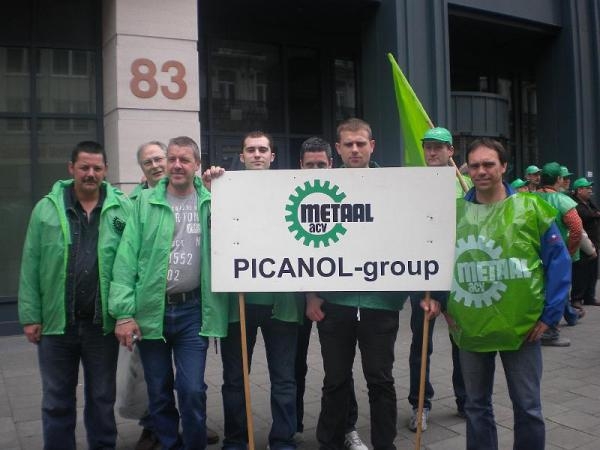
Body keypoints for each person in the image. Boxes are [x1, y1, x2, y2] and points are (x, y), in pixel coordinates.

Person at [308, 118, 440, 450]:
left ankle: (385, 445)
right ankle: (329, 443)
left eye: (360, 143)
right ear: (338, 149)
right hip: (334, 304)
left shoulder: (396, 187)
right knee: (335, 381)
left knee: (380, 380)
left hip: (381, 303)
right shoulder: (320, 188)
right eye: (348, 144)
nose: (355, 150)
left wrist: (427, 290)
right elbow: (305, 247)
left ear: (372, 146)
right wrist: (311, 295)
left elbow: (417, 237)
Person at [447, 138, 571, 450]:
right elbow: (436, 264)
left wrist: (550, 315)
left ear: (503, 166)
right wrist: (439, 303)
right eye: (475, 165)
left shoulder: (531, 209)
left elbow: (558, 262)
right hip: (471, 326)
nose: (481, 171)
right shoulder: (453, 214)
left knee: (528, 407)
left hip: (523, 328)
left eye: (488, 164)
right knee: (476, 406)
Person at [109, 136, 228, 450]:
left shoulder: (211, 200)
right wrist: (123, 313)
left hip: (192, 312)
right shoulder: (145, 203)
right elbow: (125, 259)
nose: (176, 165)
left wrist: (220, 186)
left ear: (196, 164)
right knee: (158, 391)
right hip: (152, 312)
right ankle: (168, 443)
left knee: (192, 390)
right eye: (172, 158)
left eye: (184, 160)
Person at [18, 141, 131, 449]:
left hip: (101, 325)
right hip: (57, 324)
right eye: (84, 167)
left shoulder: (122, 208)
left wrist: (127, 313)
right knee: (56, 400)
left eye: (97, 168)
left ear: (106, 170)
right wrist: (30, 316)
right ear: (71, 168)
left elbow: (132, 262)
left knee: (102, 399)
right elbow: (31, 264)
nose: (90, 173)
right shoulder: (46, 209)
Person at [219, 131, 303, 450]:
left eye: (263, 149)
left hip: (282, 305)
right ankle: (236, 440)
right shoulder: (224, 190)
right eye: (251, 149)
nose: (257, 154)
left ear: (272, 156)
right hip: (237, 304)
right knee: (235, 380)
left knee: (283, 379)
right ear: (241, 156)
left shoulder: (289, 190)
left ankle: (282, 440)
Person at [297, 137, 367, 450]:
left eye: (321, 165)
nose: (315, 170)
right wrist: (310, 294)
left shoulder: (346, 192)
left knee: (338, 370)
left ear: (331, 164)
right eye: (309, 165)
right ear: (300, 166)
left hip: (337, 298)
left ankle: (346, 428)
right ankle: (291, 428)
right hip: (299, 296)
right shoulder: (285, 191)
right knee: (294, 367)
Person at [406, 127, 468, 432]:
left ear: (450, 151)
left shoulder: (466, 185)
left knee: (463, 341)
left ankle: (466, 400)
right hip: (426, 276)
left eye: (438, 147)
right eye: (428, 147)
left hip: (459, 276)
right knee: (421, 344)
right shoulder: (413, 184)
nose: (432, 152)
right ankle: (420, 405)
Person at [537, 162, 583, 344]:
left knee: (540, 291)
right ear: (558, 179)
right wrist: (569, 251)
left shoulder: (530, 198)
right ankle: (550, 331)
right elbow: (576, 228)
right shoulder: (562, 200)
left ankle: (568, 316)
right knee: (558, 289)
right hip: (556, 254)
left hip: (534, 255)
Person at [571, 178, 600, 307]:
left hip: (594, 241)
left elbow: (595, 213)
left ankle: (590, 297)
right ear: (579, 190)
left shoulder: (589, 202)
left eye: (590, 187)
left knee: (593, 272)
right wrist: (595, 214)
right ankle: (577, 298)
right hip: (582, 243)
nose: (590, 190)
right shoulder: (574, 203)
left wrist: (594, 214)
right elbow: (585, 215)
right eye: (587, 188)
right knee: (580, 272)